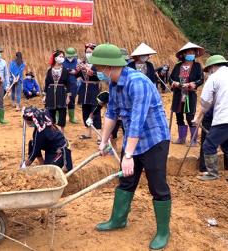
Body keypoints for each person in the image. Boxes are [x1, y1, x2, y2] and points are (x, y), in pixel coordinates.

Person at [90, 44, 171, 250]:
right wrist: (104, 140)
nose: (98, 71)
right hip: (133, 141)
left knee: (157, 186)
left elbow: (137, 121)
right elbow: (112, 113)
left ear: (109, 66)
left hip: (154, 140)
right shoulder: (114, 83)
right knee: (126, 180)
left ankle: (163, 231)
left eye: (99, 68)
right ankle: (118, 220)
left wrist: (127, 155)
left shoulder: (138, 83)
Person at [192, 55, 228, 181]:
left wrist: (198, 116)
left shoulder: (214, 77)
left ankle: (212, 173)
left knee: (209, 145)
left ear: (212, 67)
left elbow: (206, 101)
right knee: (227, 145)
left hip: (224, 117)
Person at [170, 42, 204, 146]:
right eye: (189, 52)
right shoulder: (178, 66)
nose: (191, 54)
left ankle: (193, 140)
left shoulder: (197, 66)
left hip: (190, 94)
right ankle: (181, 138)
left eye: (193, 52)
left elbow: (201, 79)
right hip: (178, 94)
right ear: (184, 54)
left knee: (190, 116)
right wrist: (174, 83)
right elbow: (170, 78)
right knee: (179, 115)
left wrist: (194, 84)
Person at [22, 106, 73, 172]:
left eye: (27, 121)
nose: (26, 123)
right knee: (32, 143)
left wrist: (25, 165)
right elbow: (35, 145)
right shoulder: (41, 122)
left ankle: (66, 163)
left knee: (50, 169)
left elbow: (35, 151)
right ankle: (42, 164)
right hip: (50, 148)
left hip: (60, 149)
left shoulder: (40, 132)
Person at [77, 43, 102, 143]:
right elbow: (77, 74)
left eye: (90, 52)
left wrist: (91, 72)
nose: (88, 54)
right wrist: (76, 70)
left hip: (93, 89)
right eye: (87, 52)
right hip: (84, 89)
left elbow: (100, 76)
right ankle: (88, 133)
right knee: (85, 111)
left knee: (95, 111)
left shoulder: (99, 64)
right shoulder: (83, 62)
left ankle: (99, 136)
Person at [44, 49, 71, 134]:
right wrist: (45, 96)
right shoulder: (49, 70)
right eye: (60, 56)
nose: (62, 58)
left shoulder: (65, 71)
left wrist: (68, 96)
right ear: (55, 58)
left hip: (61, 93)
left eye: (63, 57)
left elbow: (68, 84)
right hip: (51, 93)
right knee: (50, 112)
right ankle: (52, 132)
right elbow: (47, 83)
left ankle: (62, 133)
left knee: (62, 112)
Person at [63, 47, 79, 124]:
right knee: (61, 99)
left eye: (71, 56)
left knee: (72, 99)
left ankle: (71, 117)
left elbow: (79, 72)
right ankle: (58, 117)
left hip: (73, 83)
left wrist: (75, 72)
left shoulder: (77, 62)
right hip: (63, 83)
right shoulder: (62, 61)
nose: (70, 57)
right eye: (68, 56)